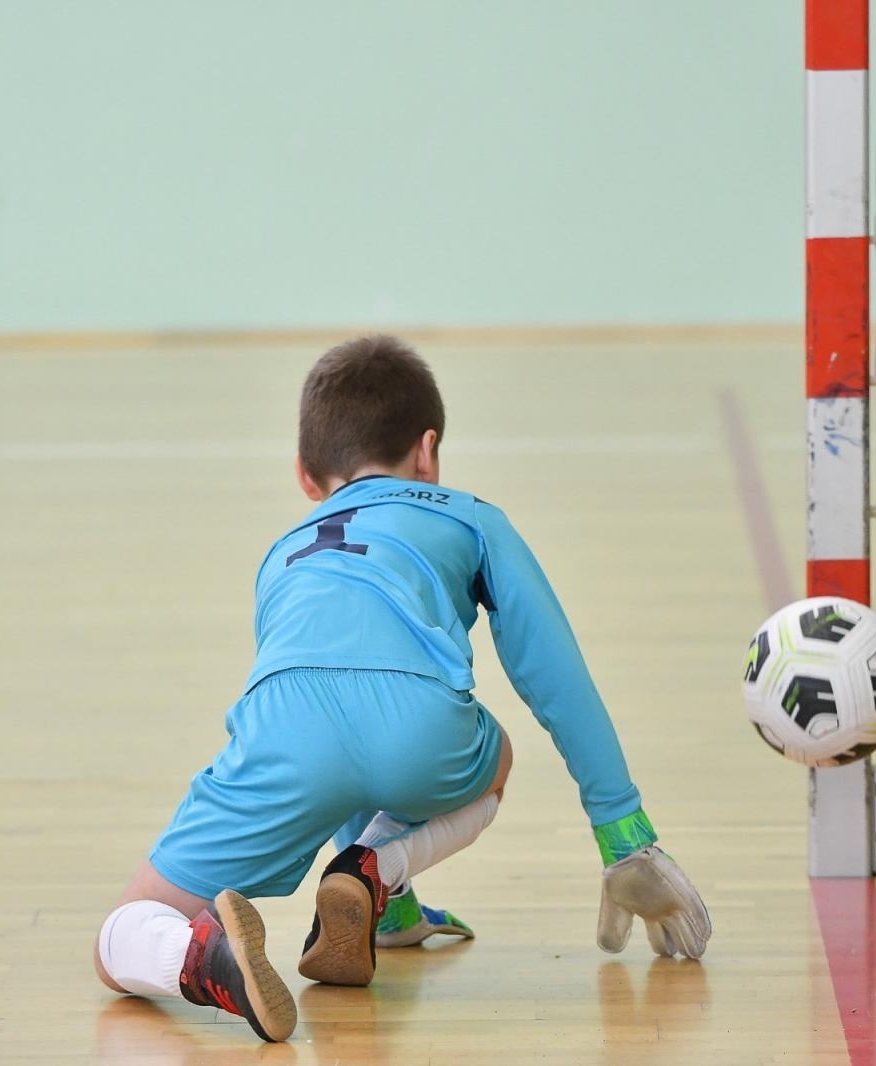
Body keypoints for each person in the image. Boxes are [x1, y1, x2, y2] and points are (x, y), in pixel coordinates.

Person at [93, 335, 711, 1042]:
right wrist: (623, 833)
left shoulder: (282, 550)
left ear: (304, 475)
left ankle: (201, 956)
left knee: (123, 930)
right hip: (421, 731)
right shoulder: (469, 515)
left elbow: (334, 730)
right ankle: (377, 870)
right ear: (428, 452)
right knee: (495, 754)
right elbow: (554, 673)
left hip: (283, 734)